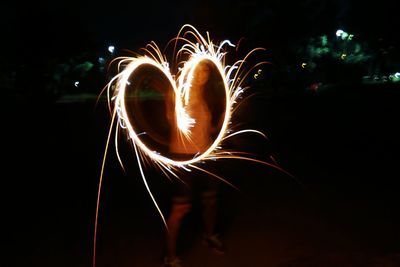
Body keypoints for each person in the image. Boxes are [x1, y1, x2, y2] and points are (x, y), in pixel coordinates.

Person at [163, 62, 225, 267]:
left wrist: (221, 124)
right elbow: (173, 120)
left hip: (206, 154)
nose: (201, 74)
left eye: (205, 70)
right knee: (181, 208)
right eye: (197, 69)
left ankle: (209, 235)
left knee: (211, 200)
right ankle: (170, 257)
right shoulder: (176, 94)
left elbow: (211, 128)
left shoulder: (209, 98)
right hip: (183, 157)